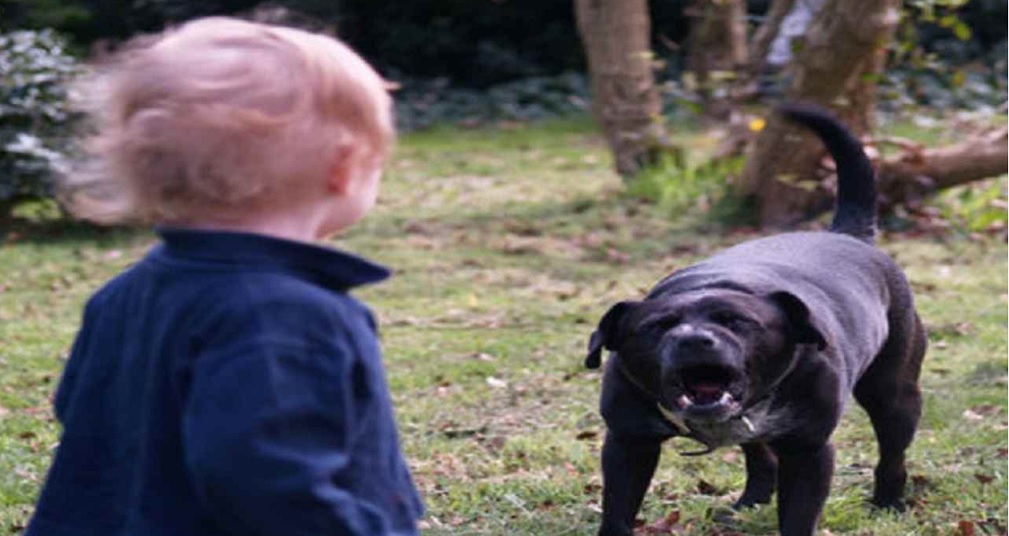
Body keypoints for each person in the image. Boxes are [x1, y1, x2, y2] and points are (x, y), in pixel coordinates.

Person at [26, 17, 423, 536]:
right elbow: (274, 489)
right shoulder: (288, 318)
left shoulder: (124, 293)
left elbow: (82, 410)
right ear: (344, 167)